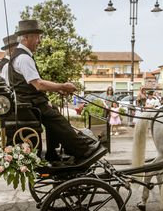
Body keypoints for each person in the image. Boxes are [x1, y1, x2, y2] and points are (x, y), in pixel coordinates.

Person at [9, 19, 101, 164]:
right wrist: (63, 87)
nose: (39, 41)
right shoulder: (23, 58)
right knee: (59, 120)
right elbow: (38, 84)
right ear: (27, 37)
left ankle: (52, 153)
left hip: (30, 102)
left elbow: (35, 83)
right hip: (31, 103)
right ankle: (82, 150)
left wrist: (58, 89)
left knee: (55, 114)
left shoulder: (21, 55)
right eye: (37, 37)